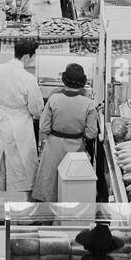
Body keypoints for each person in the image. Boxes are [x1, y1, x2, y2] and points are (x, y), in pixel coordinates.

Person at [0, 38, 43, 193]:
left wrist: (1, 102)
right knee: (21, 165)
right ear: (27, 56)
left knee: (1, 162)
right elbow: (36, 109)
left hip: (1, 121)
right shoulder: (28, 78)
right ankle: (18, 203)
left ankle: (0, 199)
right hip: (21, 125)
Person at [33, 62, 100, 202]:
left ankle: (48, 216)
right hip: (76, 149)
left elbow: (44, 127)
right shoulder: (89, 104)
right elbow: (91, 133)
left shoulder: (54, 99)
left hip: (54, 147)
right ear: (83, 82)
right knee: (72, 186)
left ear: (64, 80)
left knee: (50, 183)